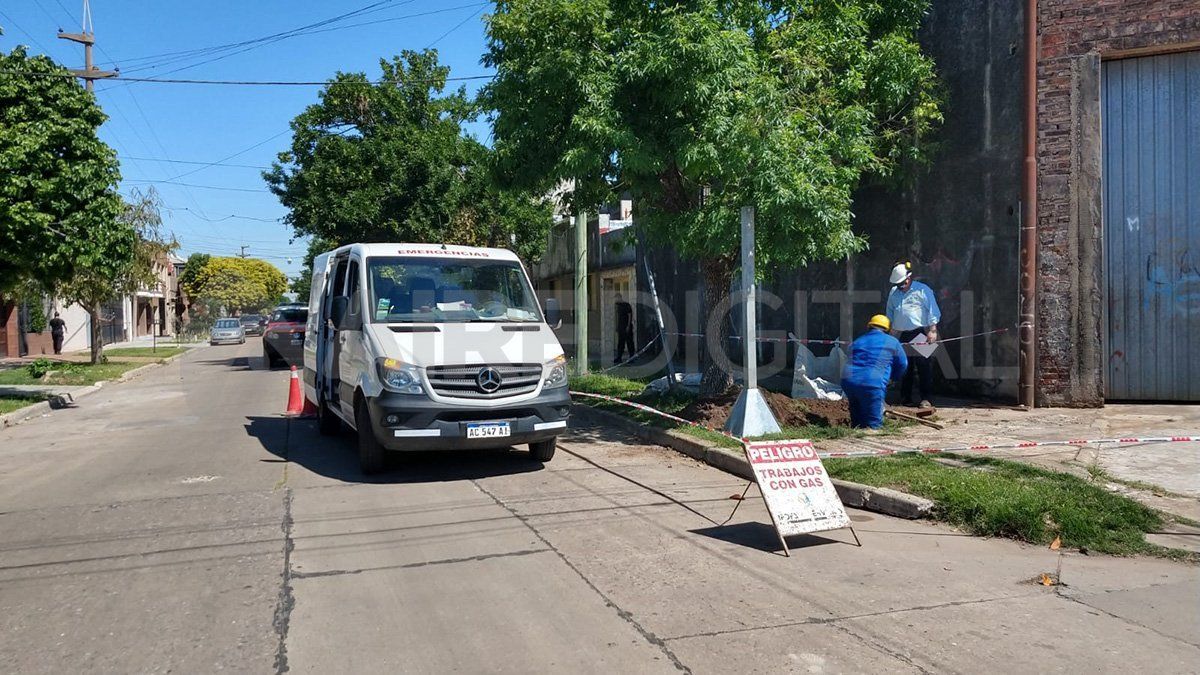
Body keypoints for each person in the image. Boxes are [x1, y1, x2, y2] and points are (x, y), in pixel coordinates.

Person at [885, 262, 941, 408]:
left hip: (920, 332)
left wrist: (932, 331)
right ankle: (905, 398)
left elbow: (932, 310)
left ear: (909, 278)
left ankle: (926, 398)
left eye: (902, 283)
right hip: (901, 334)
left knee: (924, 366)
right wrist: (891, 333)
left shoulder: (923, 290)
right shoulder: (893, 292)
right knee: (905, 367)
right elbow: (890, 312)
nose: (900, 286)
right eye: (898, 284)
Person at [841, 315, 908, 429]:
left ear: (869, 326)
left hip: (848, 381)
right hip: (872, 383)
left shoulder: (858, 340)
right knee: (873, 424)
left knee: (857, 421)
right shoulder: (893, 341)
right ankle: (871, 436)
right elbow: (903, 364)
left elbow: (850, 355)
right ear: (887, 329)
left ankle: (854, 438)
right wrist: (893, 378)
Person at [614, 292, 634, 364]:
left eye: (616, 298)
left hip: (627, 326)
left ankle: (632, 357)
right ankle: (619, 357)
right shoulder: (618, 306)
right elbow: (617, 317)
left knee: (629, 342)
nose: (615, 300)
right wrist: (617, 326)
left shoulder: (626, 305)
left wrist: (628, 326)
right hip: (621, 327)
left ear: (620, 298)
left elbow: (629, 315)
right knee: (620, 343)